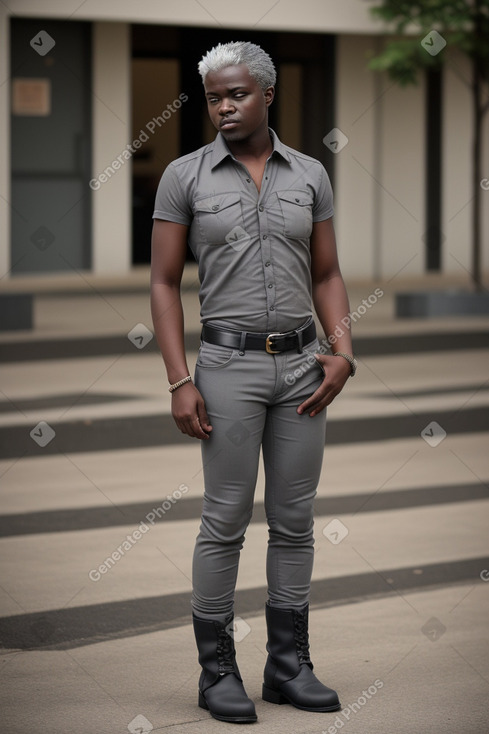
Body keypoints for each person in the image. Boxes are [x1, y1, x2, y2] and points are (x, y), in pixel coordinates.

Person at [150, 41, 356, 724]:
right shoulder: (184, 176)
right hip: (227, 367)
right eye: (213, 96)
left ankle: (287, 666)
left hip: (302, 366)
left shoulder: (310, 175)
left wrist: (341, 351)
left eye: (236, 94)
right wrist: (181, 378)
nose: (223, 106)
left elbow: (325, 274)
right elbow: (162, 282)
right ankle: (216, 674)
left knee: (295, 522)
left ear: (268, 94)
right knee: (225, 520)